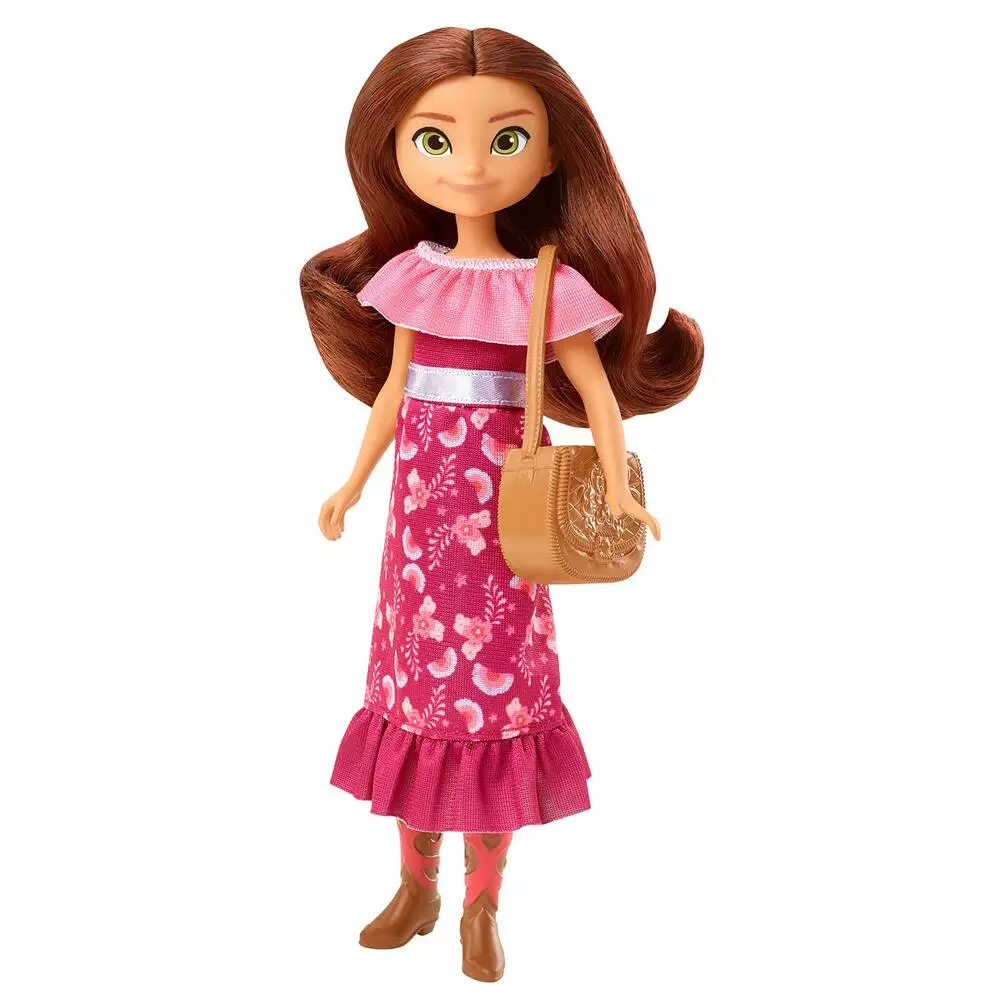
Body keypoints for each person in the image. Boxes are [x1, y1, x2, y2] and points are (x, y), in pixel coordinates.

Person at [299, 26, 703, 983]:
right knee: (413, 698)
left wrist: (619, 485)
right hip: (415, 534)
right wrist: (353, 481)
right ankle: (416, 887)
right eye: (436, 140)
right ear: (396, 151)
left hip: (503, 531)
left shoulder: (548, 286)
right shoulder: (412, 276)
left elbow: (597, 397)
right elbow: (392, 393)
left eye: (506, 139)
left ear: (552, 154)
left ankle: (482, 904)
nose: (472, 166)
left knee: (490, 704)